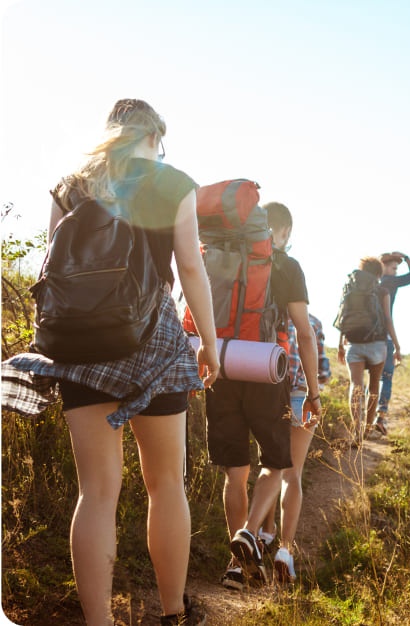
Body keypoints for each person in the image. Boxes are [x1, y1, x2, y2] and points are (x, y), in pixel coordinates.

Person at [1, 98, 219, 625]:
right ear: (155, 137)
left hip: (78, 347)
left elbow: (54, 274)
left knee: (95, 491)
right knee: (166, 483)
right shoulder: (172, 183)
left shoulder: (71, 184)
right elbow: (190, 266)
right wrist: (209, 342)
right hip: (154, 340)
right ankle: (173, 614)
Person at [209, 200, 322, 590]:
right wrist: (314, 390)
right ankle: (250, 532)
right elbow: (304, 334)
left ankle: (236, 567)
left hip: (223, 367)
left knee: (235, 472)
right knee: (276, 463)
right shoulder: (287, 265)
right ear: (284, 232)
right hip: (266, 369)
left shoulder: (223, 257)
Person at [257, 312, 331, 583]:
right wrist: (313, 393)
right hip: (302, 395)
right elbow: (323, 372)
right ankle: (285, 551)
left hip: (267, 397)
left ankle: (265, 532)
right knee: (292, 474)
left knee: (270, 466)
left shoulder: (265, 315)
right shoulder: (312, 322)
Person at [337, 256, 401, 446]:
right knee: (374, 387)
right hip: (377, 345)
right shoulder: (383, 291)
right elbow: (388, 320)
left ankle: (356, 430)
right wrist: (397, 346)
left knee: (355, 387)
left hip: (353, 343)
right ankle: (367, 429)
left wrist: (340, 344)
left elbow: (342, 316)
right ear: (378, 273)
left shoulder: (349, 288)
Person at [375, 251, 410, 434]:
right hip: (384, 338)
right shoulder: (389, 282)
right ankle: (381, 416)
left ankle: (364, 419)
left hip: (366, 338)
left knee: (370, 380)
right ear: (384, 267)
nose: (395, 272)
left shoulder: (373, 284)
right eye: (394, 268)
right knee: (386, 377)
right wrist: (408, 257)